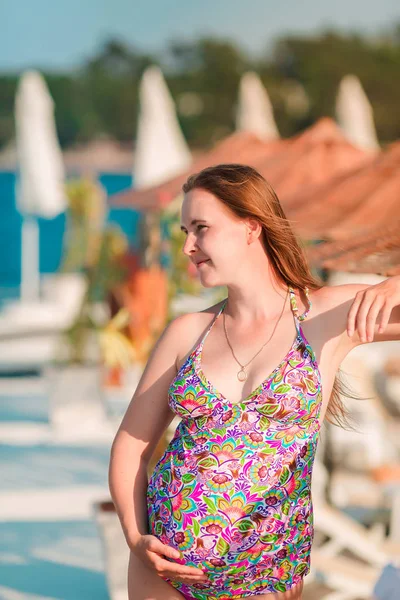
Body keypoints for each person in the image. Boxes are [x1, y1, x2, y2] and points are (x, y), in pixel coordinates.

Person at [108, 164, 400, 600]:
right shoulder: (187, 331)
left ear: (250, 227)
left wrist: (394, 285)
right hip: (165, 567)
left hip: (266, 572)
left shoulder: (323, 316)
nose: (188, 246)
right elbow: (131, 445)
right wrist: (135, 537)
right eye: (185, 230)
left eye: (201, 228)